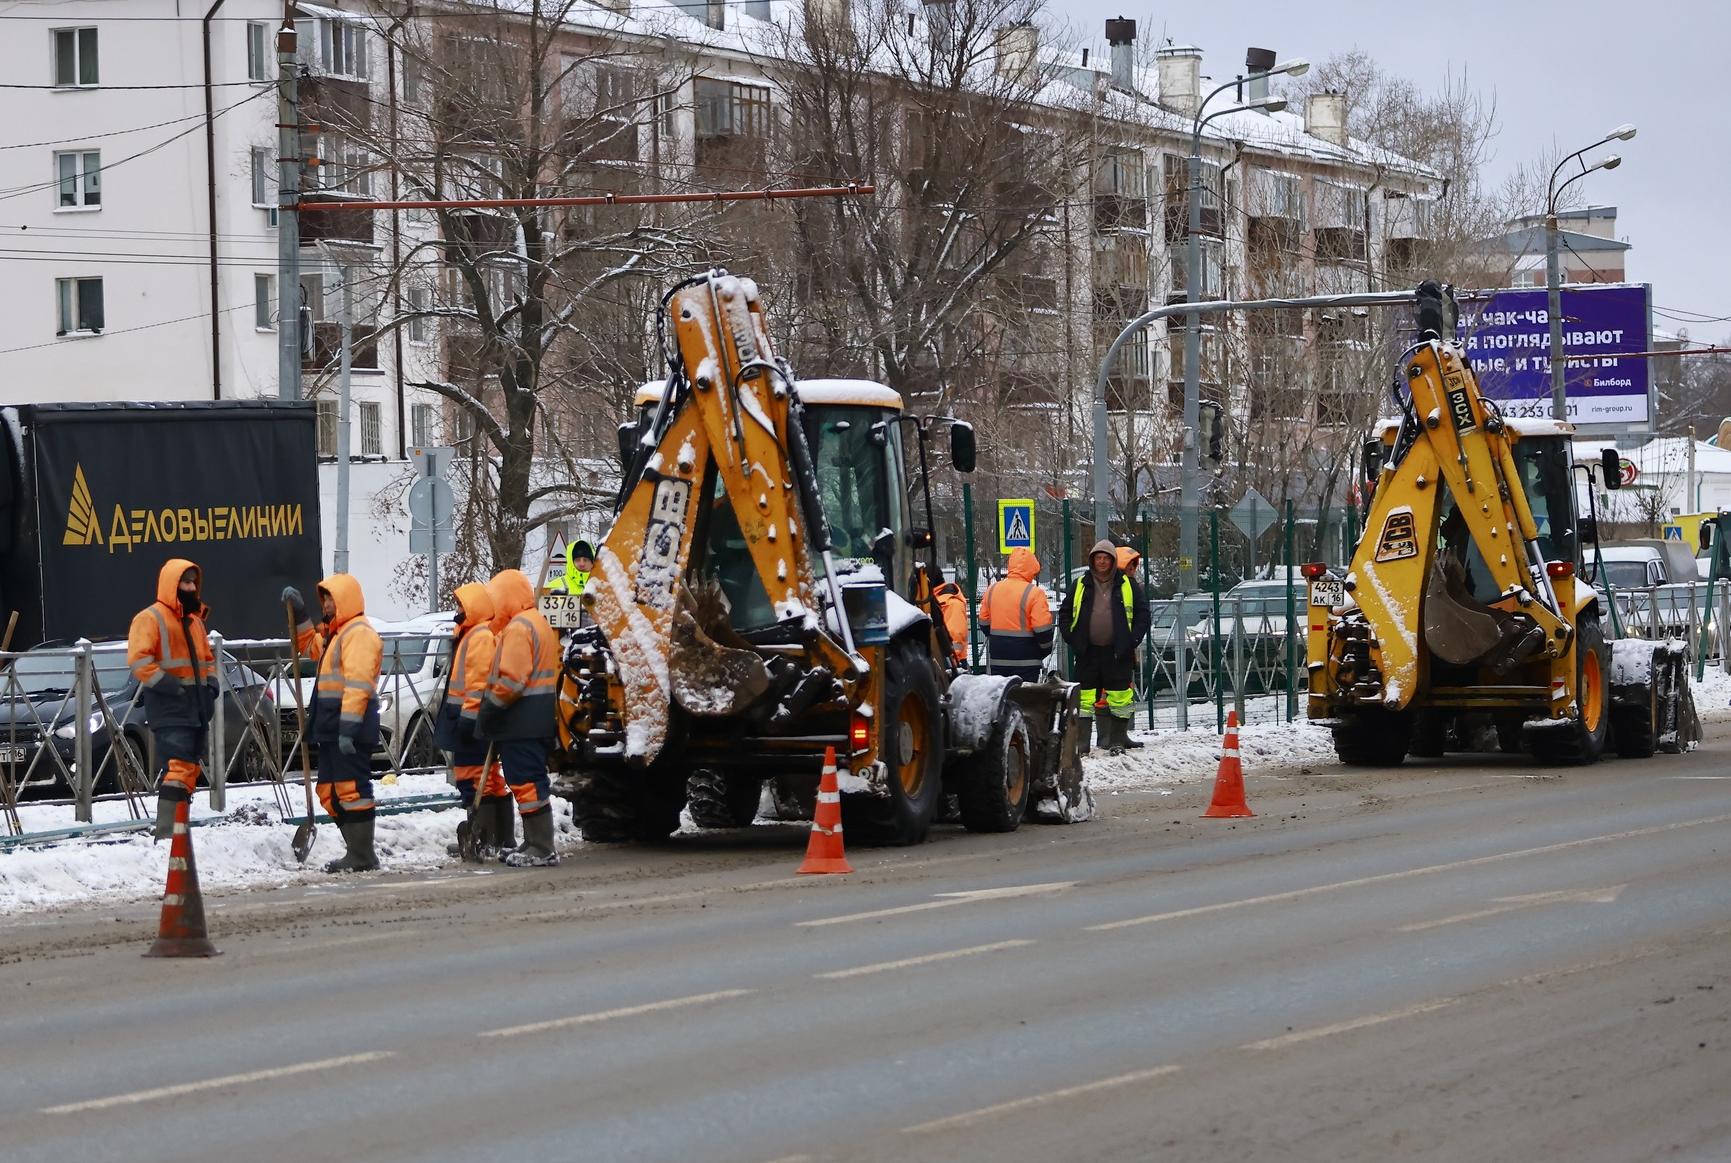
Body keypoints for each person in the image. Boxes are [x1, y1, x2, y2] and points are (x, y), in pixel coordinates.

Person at [283, 575, 382, 873]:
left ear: (346, 601)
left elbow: (358, 684)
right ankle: (356, 850)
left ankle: (362, 854)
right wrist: (299, 613)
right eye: (324, 599)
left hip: (348, 725)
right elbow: (308, 645)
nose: (326, 604)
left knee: (351, 789)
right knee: (328, 790)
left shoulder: (359, 634)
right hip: (331, 726)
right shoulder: (335, 635)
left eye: (332, 598)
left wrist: (348, 729)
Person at [127, 559, 217, 839]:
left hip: (197, 707)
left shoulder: (195, 622)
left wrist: (211, 685)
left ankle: (179, 828)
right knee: (178, 768)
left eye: (193, 583)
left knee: (189, 769)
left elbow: (207, 660)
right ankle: (168, 833)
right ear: (171, 586)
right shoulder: (150, 618)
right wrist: (172, 686)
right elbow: (140, 661)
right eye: (185, 583)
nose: (190, 588)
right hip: (170, 707)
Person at [479, 568, 562, 867]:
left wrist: (491, 707)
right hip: (534, 717)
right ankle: (533, 841)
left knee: (526, 781)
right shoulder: (536, 622)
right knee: (529, 780)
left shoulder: (518, 627)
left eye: (496, 599)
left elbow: (513, 680)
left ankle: (541, 846)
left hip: (521, 718)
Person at [435, 582, 512, 858]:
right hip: (471, 718)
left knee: (474, 777)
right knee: (488, 778)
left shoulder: (478, 636)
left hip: (469, 720)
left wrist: (469, 719)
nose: (457, 610)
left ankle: (485, 836)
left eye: (461, 605)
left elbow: (477, 683)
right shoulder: (472, 633)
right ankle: (499, 837)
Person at [1061, 540, 1149, 756]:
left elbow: (1143, 614)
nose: (1102, 562)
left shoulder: (1127, 585)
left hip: (1118, 652)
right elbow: (1064, 613)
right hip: (1087, 652)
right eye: (1098, 558)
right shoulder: (1080, 584)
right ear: (1092, 560)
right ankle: (1082, 744)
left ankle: (1117, 740)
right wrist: (1072, 638)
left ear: (1112, 561)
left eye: (1106, 558)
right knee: (1083, 699)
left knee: (1121, 698)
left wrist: (1131, 640)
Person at [979, 547, 1055, 683]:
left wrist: (998, 639)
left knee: (1001, 698)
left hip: (998, 659)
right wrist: (1044, 651)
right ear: (1032, 569)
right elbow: (1043, 630)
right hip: (1027, 661)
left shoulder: (992, 589)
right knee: (1024, 700)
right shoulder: (1034, 593)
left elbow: (984, 623)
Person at [932, 580, 970, 666]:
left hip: (951, 660)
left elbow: (956, 635)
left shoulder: (951, 604)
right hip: (949, 658)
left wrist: (953, 659)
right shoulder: (946, 603)